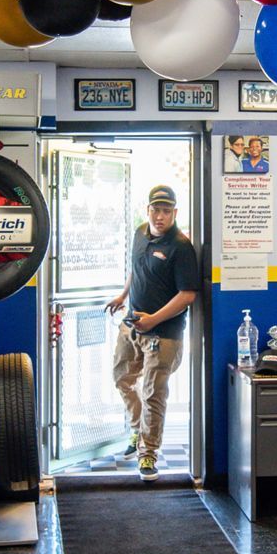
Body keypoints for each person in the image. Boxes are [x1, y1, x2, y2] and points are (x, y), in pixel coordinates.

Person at [107, 184, 199, 482]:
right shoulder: (139, 233)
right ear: (147, 210)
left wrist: (154, 320)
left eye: (166, 211)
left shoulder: (181, 247)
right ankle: (138, 429)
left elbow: (187, 295)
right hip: (133, 324)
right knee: (121, 377)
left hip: (164, 334)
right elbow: (137, 267)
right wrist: (123, 295)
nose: (160, 217)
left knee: (152, 393)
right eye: (155, 210)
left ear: (175, 213)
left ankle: (148, 453)